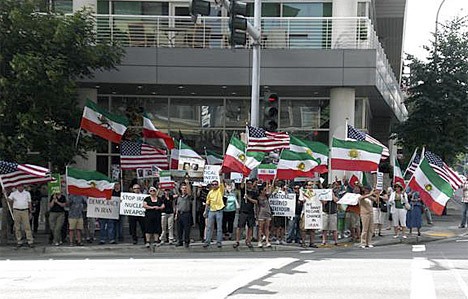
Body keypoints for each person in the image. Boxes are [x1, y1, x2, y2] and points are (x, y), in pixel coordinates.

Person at [233, 179, 257, 249]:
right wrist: (243, 178)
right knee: (239, 227)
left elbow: (256, 202)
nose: (249, 185)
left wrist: (248, 198)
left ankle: (248, 241)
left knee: (250, 227)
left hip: (250, 212)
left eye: (250, 183)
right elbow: (242, 185)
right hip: (243, 211)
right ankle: (237, 241)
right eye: (248, 184)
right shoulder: (244, 191)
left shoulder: (254, 193)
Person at [203, 180, 225, 248]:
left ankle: (219, 242)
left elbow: (221, 183)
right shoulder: (210, 192)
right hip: (211, 210)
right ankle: (207, 241)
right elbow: (207, 202)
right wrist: (205, 211)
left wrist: (220, 175)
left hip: (219, 210)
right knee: (209, 227)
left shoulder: (220, 190)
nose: (214, 185)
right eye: (213, 184)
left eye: (215, 184)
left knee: (219, 227)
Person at [300, 181, 318, 248]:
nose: (311, 186)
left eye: (312, 185)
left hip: (313, 212)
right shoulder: (303, 192)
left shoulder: (315, 192)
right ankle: (303, 242)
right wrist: (302, 201)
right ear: (306, 186)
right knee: (303, 228)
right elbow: (300, 200)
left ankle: (312, 242)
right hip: (305, 212)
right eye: (309, 185)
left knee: (312, 228)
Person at [175, 181, 193, 248]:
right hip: (180, 213)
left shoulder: (188, 196)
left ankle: (186, 241)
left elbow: (189, 193)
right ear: (180, 189)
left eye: (185, 188)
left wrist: (187, 183)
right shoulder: (179, 197)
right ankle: (180, 241)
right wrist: (176, 214)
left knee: (186, 228)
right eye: (183, 188)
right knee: (179, 229)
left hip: (186, 214)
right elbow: (177, 206)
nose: (184, 189)